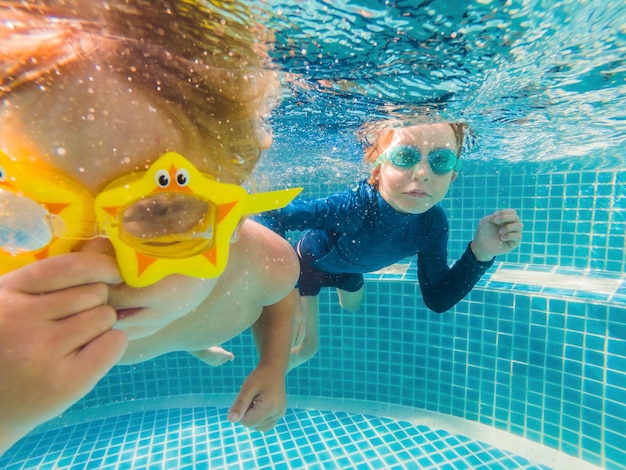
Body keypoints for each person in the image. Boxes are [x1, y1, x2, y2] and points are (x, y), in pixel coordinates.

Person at [0, 0, 301, 455]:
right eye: (32, 217)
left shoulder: (264, 263)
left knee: (195, 330)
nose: (98, 270)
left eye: (163, 215)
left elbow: (279, 300)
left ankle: (198, 344)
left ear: (235, 212)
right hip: (190, 318)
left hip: (209, 321)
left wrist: (273, 366)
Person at [257, 122, 524, 369]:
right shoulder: (354, 207)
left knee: (351, 308)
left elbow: (438, 298)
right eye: (405, 157)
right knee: (308, 348)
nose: (422, 173)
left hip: (351, 266)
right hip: (308, 264)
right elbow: (269, 213)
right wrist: (285, 286)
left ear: (452, 176)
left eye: (440, 161)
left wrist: (481, 253)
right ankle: (273, 370)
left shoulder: (433, 224)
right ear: (378, 169)